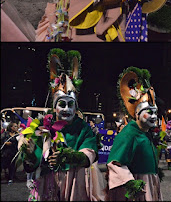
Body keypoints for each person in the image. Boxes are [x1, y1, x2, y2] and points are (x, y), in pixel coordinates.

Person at [18, 49, 106, 201]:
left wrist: (67, 156)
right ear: (54, 107)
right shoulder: (43, 127)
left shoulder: (83, 128)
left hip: (74, 185)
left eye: (70, 104)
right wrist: (30, 153)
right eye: (62, 104)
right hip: (48, 185)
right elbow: (34, 162)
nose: (66, 109)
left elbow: (89, 155)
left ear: (76, 107)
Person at [107, 66, 162, 201]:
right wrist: (131, 183)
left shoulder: (145, 132)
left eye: (155, 112)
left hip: (150, 183)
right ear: (137, 113)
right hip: (139, 188)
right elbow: (114, 163)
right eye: (149, 112)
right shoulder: (129, 133)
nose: (154, 116)